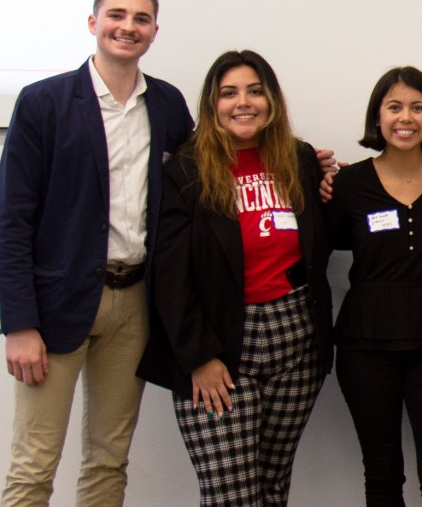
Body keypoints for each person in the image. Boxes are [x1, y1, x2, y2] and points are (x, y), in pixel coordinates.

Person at [0, 0, 194, 506]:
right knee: (34, 466)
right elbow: (10, 221)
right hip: (54, 309)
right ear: (93, 23)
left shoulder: (167, 104)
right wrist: (19, 324)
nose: (128, 27)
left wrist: (307, 161)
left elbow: (215, 163)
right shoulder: (44, 103)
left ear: (153, 32)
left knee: (108, 461)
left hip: (133, 305)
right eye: (117, 15)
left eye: (141, 19)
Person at [136, 50, 333, 506]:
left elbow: (316, 240)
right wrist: (197, 356)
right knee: (231, 496)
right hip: (219, 344)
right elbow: (169, 276)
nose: (243, 103)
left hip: (295, 341)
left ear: (272, 100)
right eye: (229, 94)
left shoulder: (298, 159)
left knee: (271, 487)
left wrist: (331, 181)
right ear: (212, 104)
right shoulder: (186, 170)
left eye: (254, 91)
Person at [327, 66, 422, 506]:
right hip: (365, 343)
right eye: (394, 107)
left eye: (417, 107)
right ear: (377, 117)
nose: (405, 117)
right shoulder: (348, 184)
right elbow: (320, 245)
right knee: (383, 473)